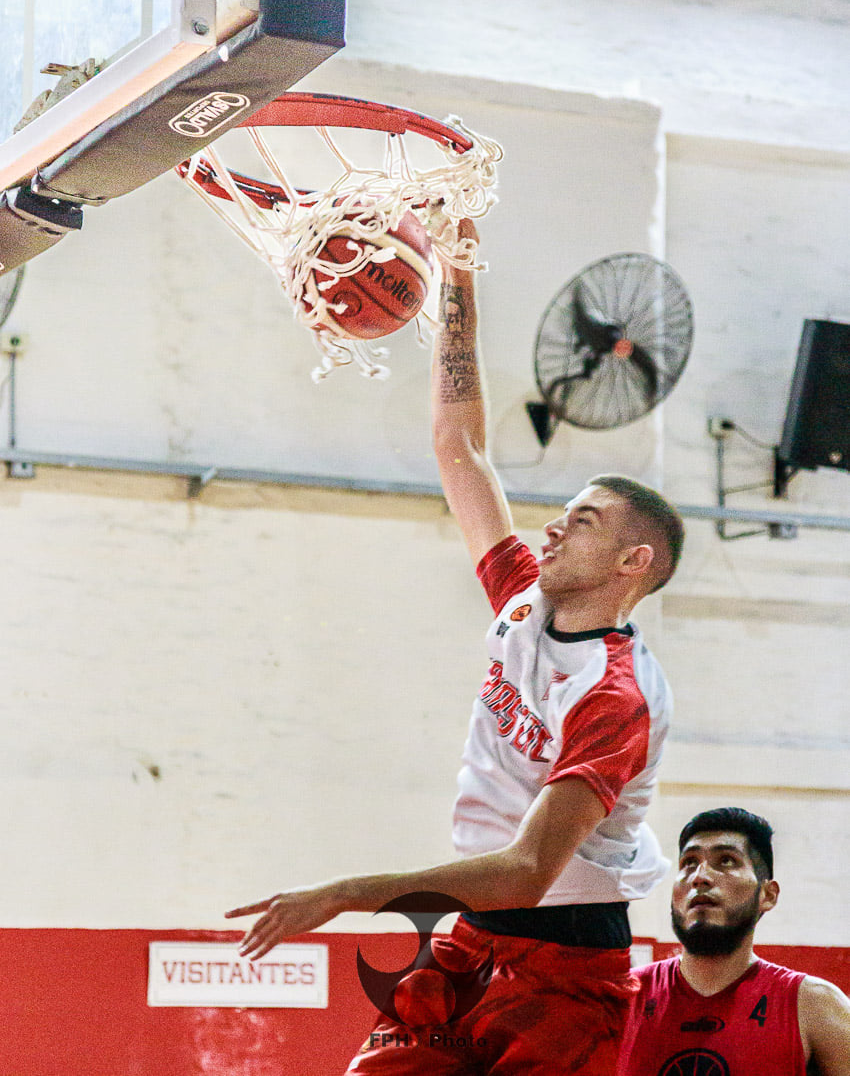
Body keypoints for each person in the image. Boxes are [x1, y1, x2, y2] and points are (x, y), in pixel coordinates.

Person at [226, 220, 685, 1074]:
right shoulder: (521, 601)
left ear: (633, 562)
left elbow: (522, 872)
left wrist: (344, 893)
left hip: (566, 966)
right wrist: (458, 275)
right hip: (471, 939)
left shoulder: (614, 697)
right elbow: (460, 443)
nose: (553, 525)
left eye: (580, 521)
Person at [618, 806, 850, 1075]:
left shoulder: (815, 1006)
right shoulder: (622, 999)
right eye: (689, 862)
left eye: (726, 860)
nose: (700, 877)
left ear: (767, 894)